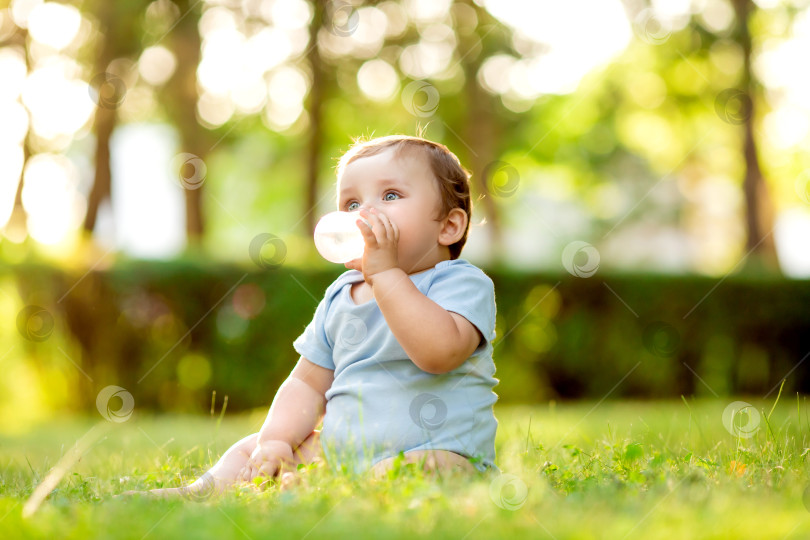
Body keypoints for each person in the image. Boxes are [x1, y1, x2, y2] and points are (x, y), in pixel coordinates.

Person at [136, 134, 500, 498]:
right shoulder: (342, 295)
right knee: (255, 446)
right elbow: (308, 384)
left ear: (448, 226)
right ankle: (202, 491)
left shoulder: (461, 283)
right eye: (352, 202)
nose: (365, 214)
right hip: (342, 453)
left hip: (437, 450)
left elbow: (439, 353)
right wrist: (277, 440)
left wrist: (388, 275)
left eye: (390, 196)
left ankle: (337, 493)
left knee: (418, 469)